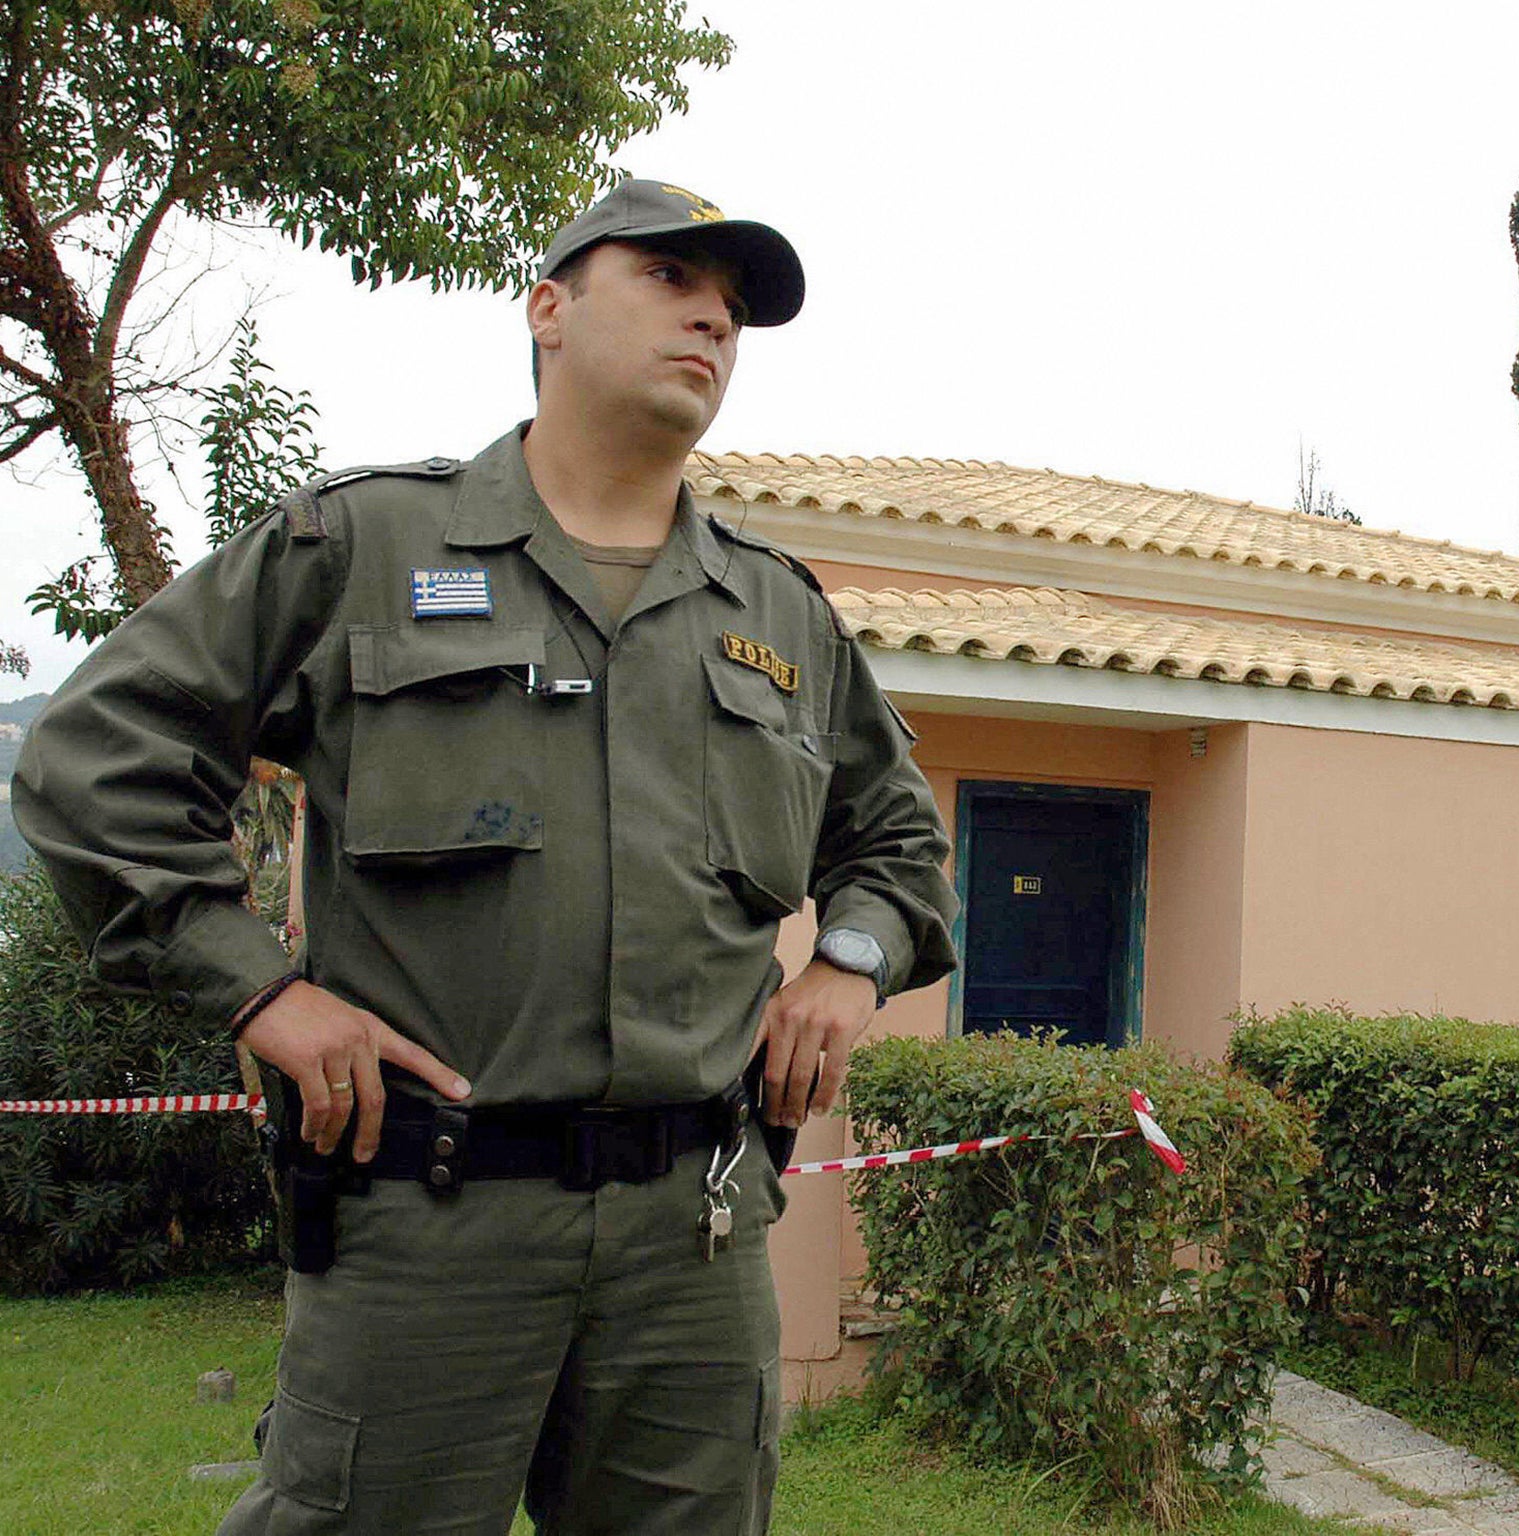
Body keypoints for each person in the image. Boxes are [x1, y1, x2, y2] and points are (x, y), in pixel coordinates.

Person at [12, 178, 959, 1534]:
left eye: (734, 307)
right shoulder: (363, 546)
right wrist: (262, 991)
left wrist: (851, 967)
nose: (712, 317)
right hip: (426, 1230)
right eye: (670, 278)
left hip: (693, 1244)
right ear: (549, 309)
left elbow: (898, 841)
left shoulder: (776, 613)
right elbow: (92, 756)